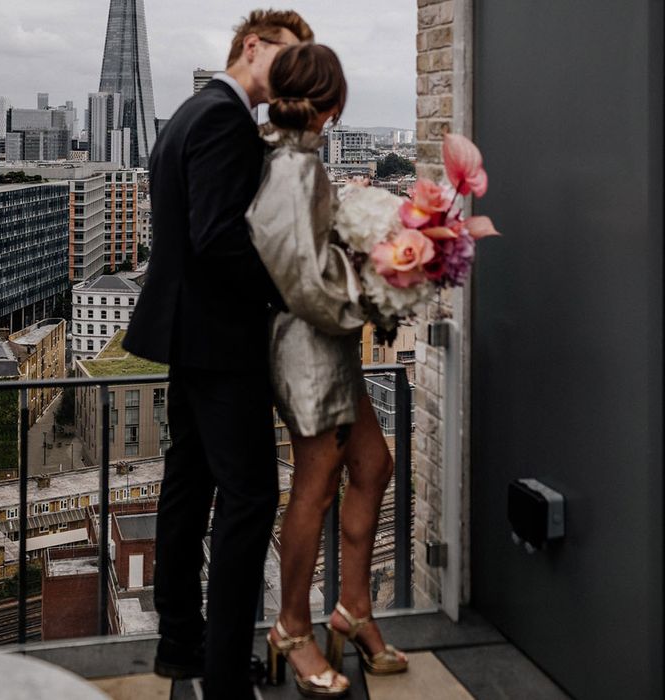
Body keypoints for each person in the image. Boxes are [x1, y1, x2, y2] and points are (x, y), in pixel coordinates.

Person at [122, 10, 314, 700]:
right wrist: (294, 283)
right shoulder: (223, 119)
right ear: (252, 48)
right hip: (220, 336)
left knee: (190, 483)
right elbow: (219, 239)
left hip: (188, 334)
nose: (292, 74)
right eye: (286, 58)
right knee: (250, 498)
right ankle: (227, 672)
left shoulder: (190, 113)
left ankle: (181, 642)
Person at [246, 43, 409, 698]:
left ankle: (353, 608)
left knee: (374, 466)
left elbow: (312, 253)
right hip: (309, 350)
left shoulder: (300, 163)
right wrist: (380, 287)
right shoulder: (292, 170)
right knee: (315, 486)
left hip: (328, 347)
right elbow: (306, 282)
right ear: (333, 105)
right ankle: (290, 626)